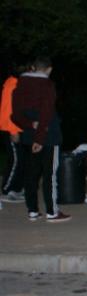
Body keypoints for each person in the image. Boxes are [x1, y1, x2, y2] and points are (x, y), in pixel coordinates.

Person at [11, 57, 70, 222]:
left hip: (28, 135)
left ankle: (32, 211)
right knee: (50, 174)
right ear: (49, 69)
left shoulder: (20, 85)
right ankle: (52, 211)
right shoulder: (47, 86)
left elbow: (15, 115)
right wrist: (40, 138)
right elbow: (46, 113)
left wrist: (29, 125)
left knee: (31, 173)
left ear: (32, 68)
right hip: (48, 135)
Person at [1, 67, 25, 204]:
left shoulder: (16, 84)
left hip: (18, 128)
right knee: (16, 160)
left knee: (20, 159)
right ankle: (7, 189)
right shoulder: (12, 85)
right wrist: (13, 131)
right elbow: (7, 111)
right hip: (11, 129)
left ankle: (16, 188)